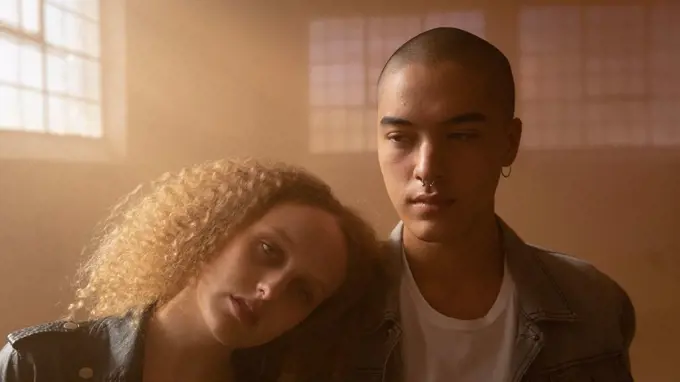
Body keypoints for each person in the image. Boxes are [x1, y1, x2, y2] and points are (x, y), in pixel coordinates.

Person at [345, 27, 636, 382]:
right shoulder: (337, 306)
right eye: (400, 138)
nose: (427, 169)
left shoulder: (591, 303)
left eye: (462, 136)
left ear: (509, 142)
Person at [0, 158, 386, 382]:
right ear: (216, 231)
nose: (271, 289)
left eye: (303, 292)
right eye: (268, 250)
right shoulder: (41, 364)